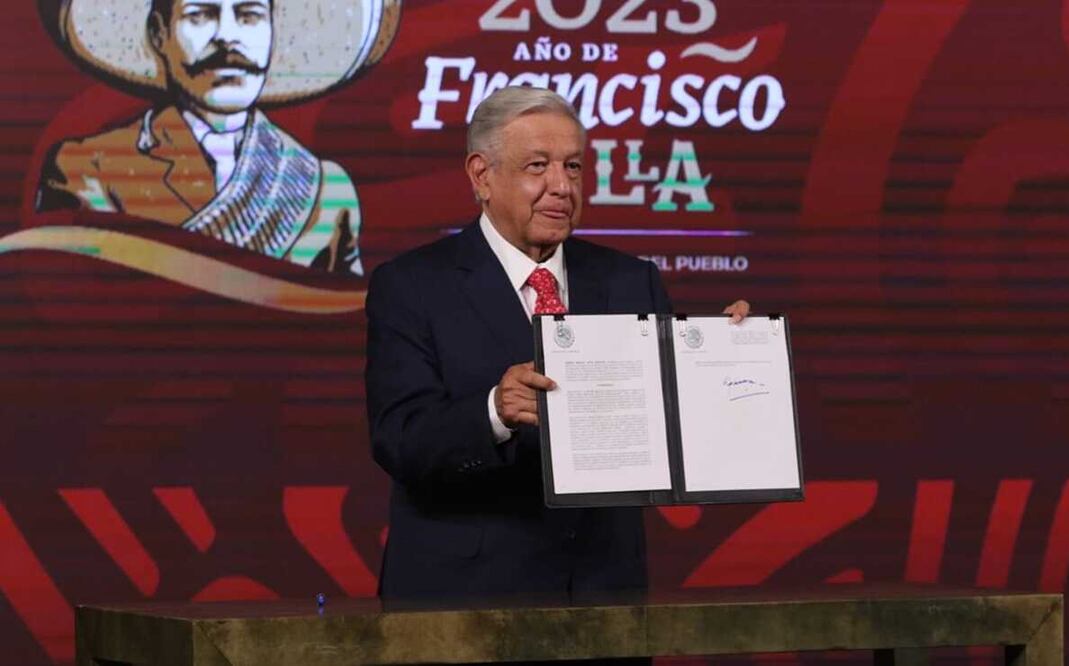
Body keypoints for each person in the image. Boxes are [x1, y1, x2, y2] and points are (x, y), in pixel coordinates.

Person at [366, 86, 750, 601]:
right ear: (481, 175)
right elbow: (399, 440)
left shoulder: (631, 280)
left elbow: (673, 430)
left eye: (572, 167)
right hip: (464, 600)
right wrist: (494, 412)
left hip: (603, 593)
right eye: (537, 166)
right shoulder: (411, 286)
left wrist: (726, 362)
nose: (562, 186)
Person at [36, 0, 399, 273]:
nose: (227, 36)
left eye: (249, 15)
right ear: (159, 34)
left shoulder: (324, 189)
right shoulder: (87, 170)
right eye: (200, 14)